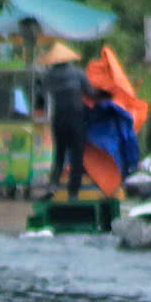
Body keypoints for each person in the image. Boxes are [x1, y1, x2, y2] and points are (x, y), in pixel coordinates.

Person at [39, 44, 96, 199]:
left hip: (58, 119)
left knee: (59, 154)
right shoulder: (78, 73)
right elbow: (90, 93)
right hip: (76, 118)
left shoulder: (48, 75)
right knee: (77, 155)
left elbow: (41, 96)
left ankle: (53, 185)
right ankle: (73, 192)